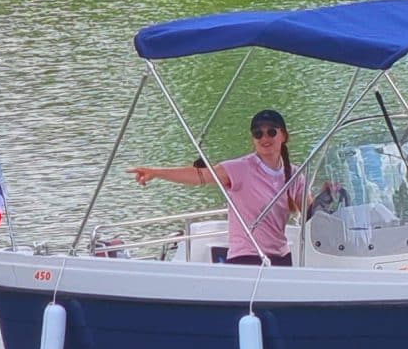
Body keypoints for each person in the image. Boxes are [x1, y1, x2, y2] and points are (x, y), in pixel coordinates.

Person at [128, 109, 306, 266]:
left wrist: (331, 194)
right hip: (247, 258)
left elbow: (310, 212)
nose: (264, 138)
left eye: (271, 132)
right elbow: (200, 176)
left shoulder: (295, 175)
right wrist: (157, 172)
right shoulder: (240, 168)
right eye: (258, 134)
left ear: (283, 136)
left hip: (281, 257)